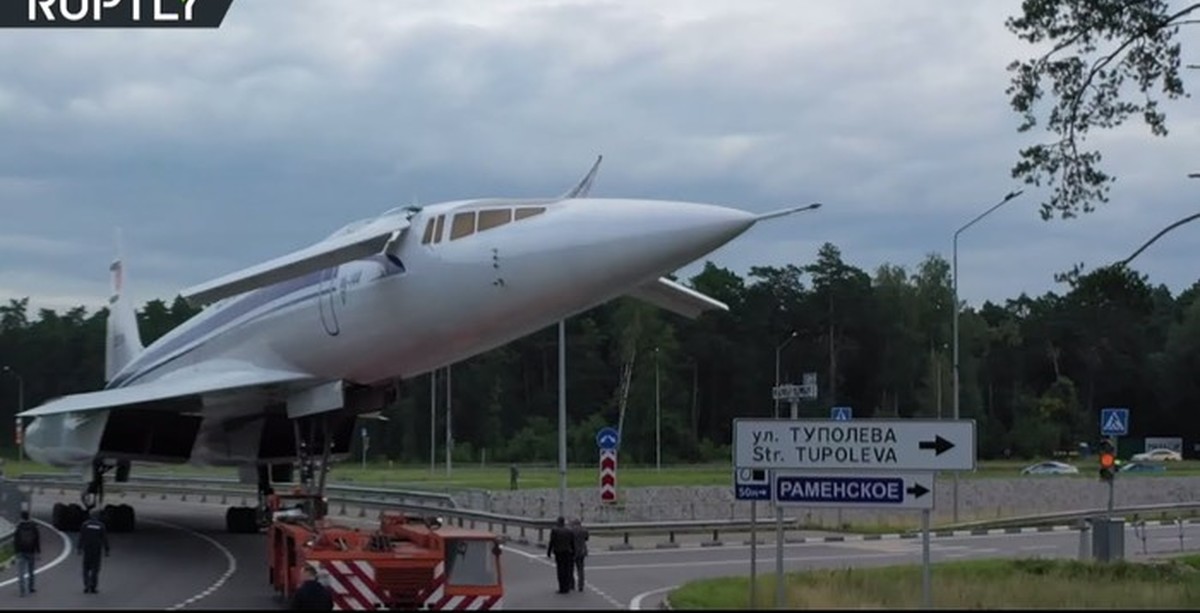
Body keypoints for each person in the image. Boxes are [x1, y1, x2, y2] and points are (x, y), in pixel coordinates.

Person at [76, 511, 110, 594]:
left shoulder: (85, 524)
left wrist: (79, 548)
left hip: (87, 549)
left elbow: (81, 537)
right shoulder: (101, 526)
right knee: (95, 569)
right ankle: (93, 586)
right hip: (96, 550)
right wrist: (107, 550)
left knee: (86, 569)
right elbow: (104, 539)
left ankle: (86, 585)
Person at [13, 511, 40, 597]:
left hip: (20, 551)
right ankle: (31, 587)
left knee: (21, 572)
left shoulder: (18, 527)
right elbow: (37, 539)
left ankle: (22, 591)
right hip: (31, 551)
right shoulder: (33, 526)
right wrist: (38, 551)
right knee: (31, 571)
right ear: (29, 517)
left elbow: (15, 541)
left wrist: (16, 552)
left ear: (21, 517)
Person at [546, 516, 575, 594]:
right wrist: (574, 552)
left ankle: (562, 587)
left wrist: (549, 552)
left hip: (558, 552)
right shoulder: (569, 531)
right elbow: (572, 543)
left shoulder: (555, 530)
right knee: (567, 570)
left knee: (560, 570)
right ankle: (567, 587)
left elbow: (551, 542)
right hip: (568, 552)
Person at [570, 518, 589, 592]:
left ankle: (572, 585)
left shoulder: (571, 531)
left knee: (571, 568)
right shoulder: (584, 530)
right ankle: (581, 585)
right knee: (580, 569)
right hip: (582, 551)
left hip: (573, 551)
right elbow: (586, 538)